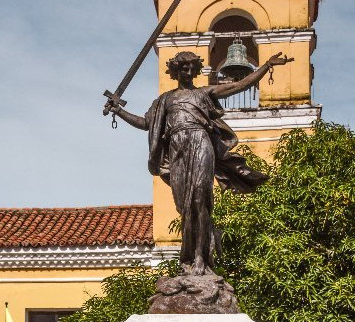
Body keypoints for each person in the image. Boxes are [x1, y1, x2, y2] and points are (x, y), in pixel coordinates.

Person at [108, 50, 293, 275]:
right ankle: (188, 257)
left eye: (191, 68)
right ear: (175, 71)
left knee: (199, 198)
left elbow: (239, 85)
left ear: (196, 71)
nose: (187, 72)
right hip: (177, 147)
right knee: (184, 205)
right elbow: (146, 123)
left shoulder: (204, 94)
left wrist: (265, 66)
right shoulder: (165, 100)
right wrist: (119, 111)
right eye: (182, 68)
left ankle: (200, 259)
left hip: (200, 141)